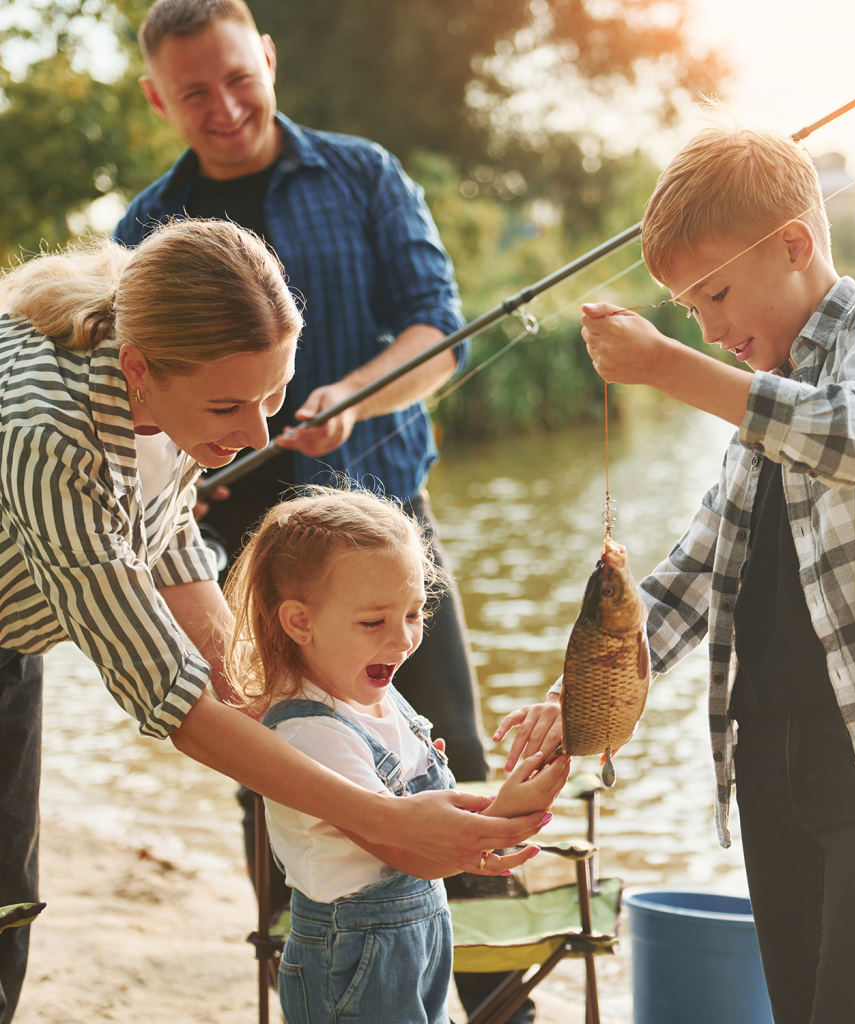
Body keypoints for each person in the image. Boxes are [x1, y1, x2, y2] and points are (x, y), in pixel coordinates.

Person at [500, 118, 855, 1023]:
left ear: (796, 244)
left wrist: (669, 366)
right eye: (690, 312)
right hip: (767, 757)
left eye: (717, 293)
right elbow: (689, 581)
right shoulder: (760, 415)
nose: (712, 327)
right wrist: (573, 707)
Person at [0, 221, 545, 1024]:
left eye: (273, 394)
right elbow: (170, 700)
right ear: (137, 371)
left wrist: (280, 701)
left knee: (13, 897)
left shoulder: (167, 350)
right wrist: (381, 820)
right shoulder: (49, 436)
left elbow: (170, 539)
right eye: (229, 406)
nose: (258, 434)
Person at [223, 489, 570, 1024]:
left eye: (413, 613)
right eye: (373, 622)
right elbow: (408, 851)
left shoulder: (372, 691)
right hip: (356, 953)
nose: (404, 639)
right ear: (299, 622)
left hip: (415, 933)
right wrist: (505, 813)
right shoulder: (312, 732)